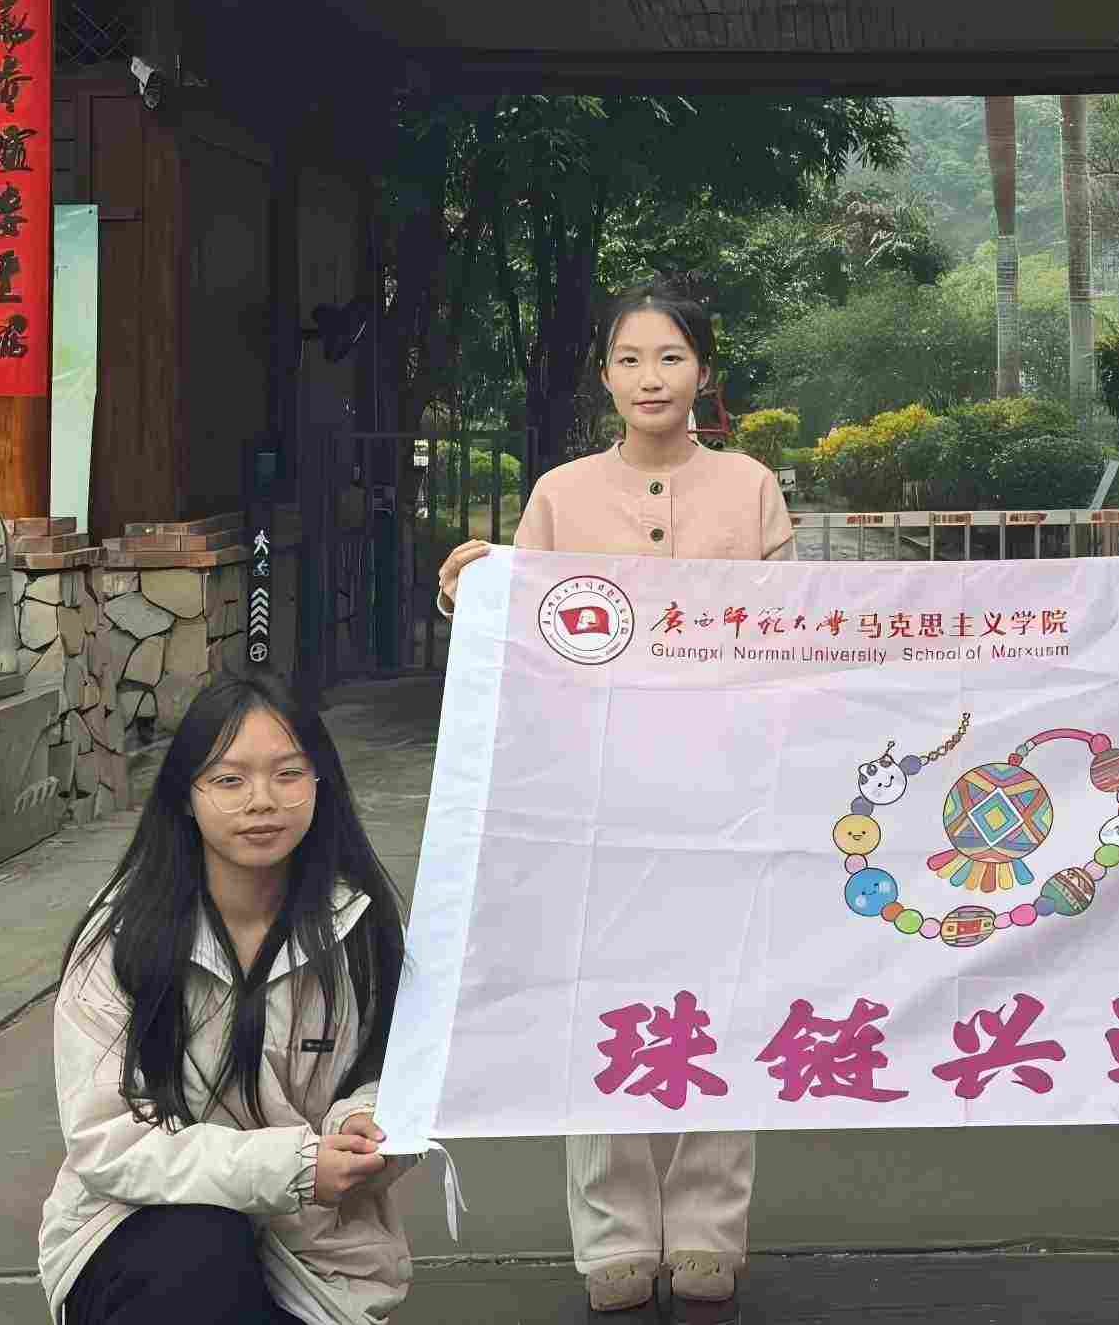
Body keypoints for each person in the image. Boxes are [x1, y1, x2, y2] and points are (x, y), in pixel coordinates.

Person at [437, 279, 791, 1321]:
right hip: (591, 793)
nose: (651, 377)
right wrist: (472, 587)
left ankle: (709, 1229)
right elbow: (531, 626)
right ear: (604, 375)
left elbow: (796, 632)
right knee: (601, 1003)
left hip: (725, 793)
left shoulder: (751, 488)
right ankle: (614, 1234)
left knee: (722, 999)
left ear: (703, 371)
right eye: (631, 358)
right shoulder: (559, 493)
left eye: (671, 356)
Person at [40, 676, 416, 1325]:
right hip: (141, 1235)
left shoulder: (365, 928)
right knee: (203, 1243)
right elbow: (106, 1141)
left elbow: (402, 1074)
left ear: (321, 784)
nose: (261, 801)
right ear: (186, 796)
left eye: (288, 774)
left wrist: (366, 1123)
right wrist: (292, 1167)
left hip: (318, 1257)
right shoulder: (124, 939)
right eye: (230, 780)